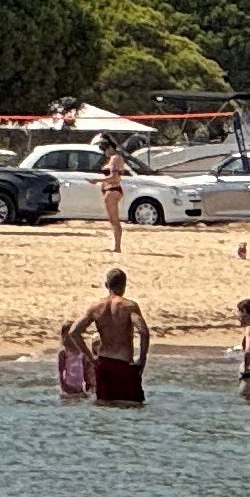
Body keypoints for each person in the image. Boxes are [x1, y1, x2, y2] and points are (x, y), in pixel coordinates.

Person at [67, 267, 151, 408]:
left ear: (106, 285)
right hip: (124, 364)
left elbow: (74, 332)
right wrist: (142, 359)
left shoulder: (96, 307)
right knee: (133, 407)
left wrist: (90, 357)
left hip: (103, 365)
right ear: (124, 285)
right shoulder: (129, 306)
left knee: (104, 407)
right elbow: (143, 331)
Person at [99, 144, 128, 251]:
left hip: (112, 190)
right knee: (113, 220)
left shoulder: (115, 158)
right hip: (111, 190)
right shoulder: (116, 159)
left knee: (115, 221)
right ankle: (116, 246)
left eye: (105, 149)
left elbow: (113, 177)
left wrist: (97, 181)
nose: (105, 152)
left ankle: (117, 247)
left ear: (110, 147)